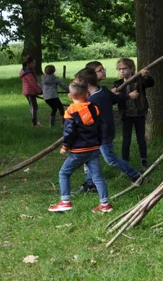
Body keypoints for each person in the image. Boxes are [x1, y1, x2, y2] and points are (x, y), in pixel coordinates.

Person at [48, 80, 112, 213]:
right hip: (94, 148)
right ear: (87, 94)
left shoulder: (70, 111)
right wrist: (99, 141)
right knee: (97, 177)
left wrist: (65, 146)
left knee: (64, 173)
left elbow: (69, 132)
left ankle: (65, 201)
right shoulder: (94, 109)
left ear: (70, 96)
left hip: (79, 150)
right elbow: (102, 126)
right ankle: (105, 204)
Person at [76, 64, 142, 193]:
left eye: (78, 82)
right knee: (91, 157)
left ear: (85, 83)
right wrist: (128, 96)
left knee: (110, 158)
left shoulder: (92, 100)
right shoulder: (103, 91)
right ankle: (90, 184)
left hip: (103, 133)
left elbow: (88, 119)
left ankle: (135, 175)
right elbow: (116, 98)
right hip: (100, 133)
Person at [113, 58, 154, 169]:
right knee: (126, 140)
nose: (122, 71)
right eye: (120, 69)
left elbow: (150, 83)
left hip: (139, 114)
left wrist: (146, 76)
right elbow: (116, 99)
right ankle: (125, 161)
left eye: (124, 68)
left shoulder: (139, 81)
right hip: (126, 115)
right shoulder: (118, 84)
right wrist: (115, 93)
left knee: (141, 139)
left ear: (131, 69)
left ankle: (144, 159)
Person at [20, 56, 43, 127]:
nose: (34, 65)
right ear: (28, 64)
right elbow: (33, 83)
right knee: (34, 107)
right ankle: (34, 123)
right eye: (33, 63)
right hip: (30, 92)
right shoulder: (28, 73)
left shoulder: (28, 71)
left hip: (29, 91)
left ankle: (35, 122)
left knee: (33, 106)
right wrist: (40, 91)